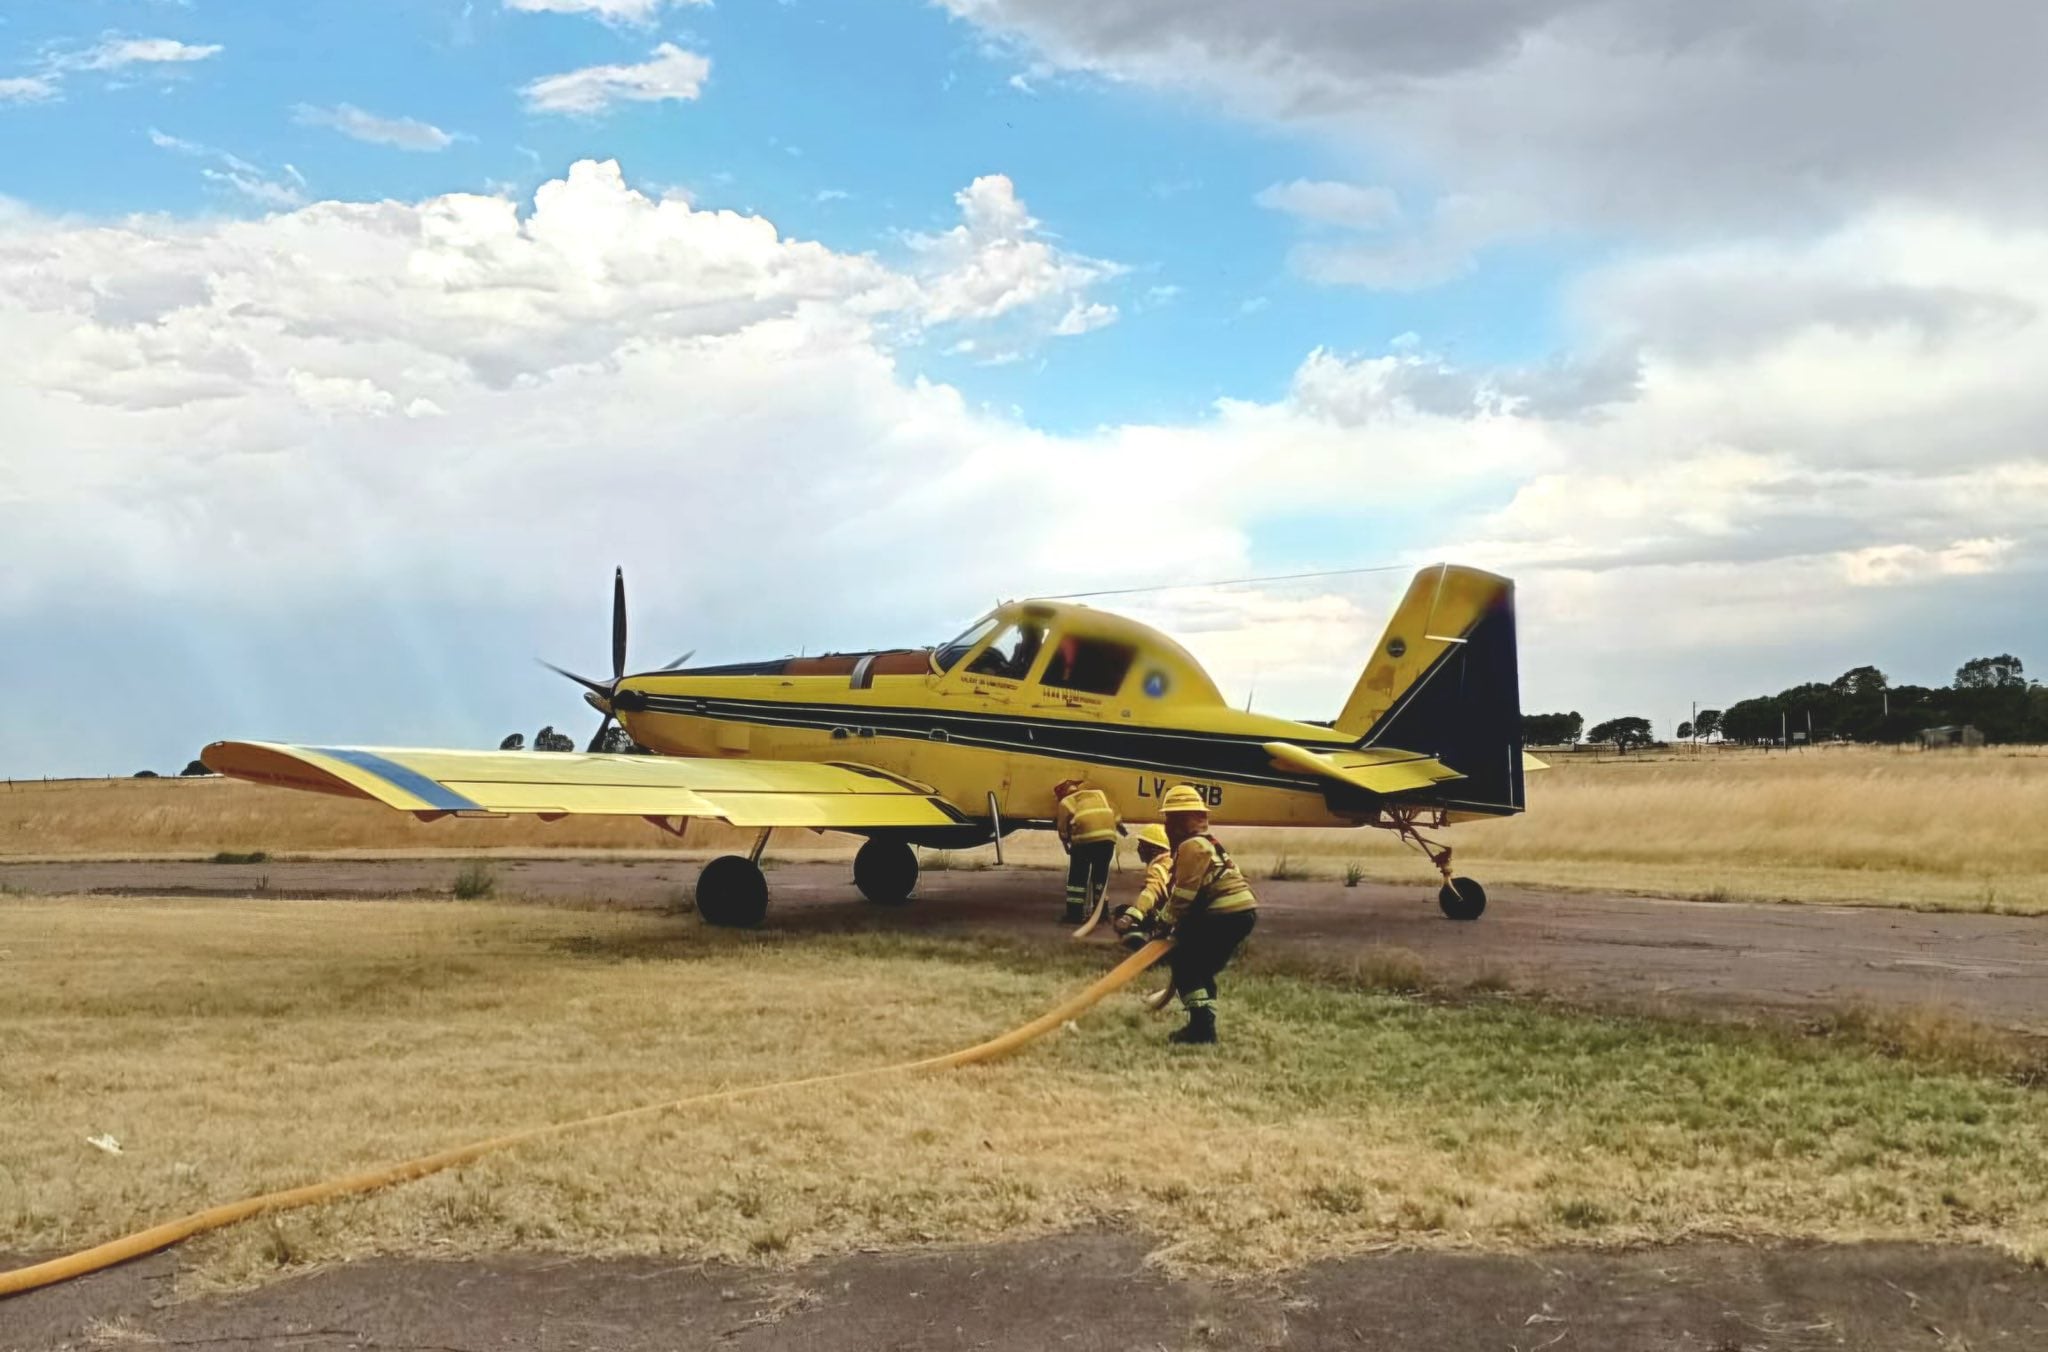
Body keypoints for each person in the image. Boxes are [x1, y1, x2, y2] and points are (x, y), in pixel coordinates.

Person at [1151, 783, 1257, 1045]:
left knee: (1187, 967)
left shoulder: (1192, 846)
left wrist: (1163, 924)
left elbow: (1184, 896)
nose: (1165, 827)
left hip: (1224, 914)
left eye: (1169, 819)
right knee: (1200, 969)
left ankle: (1202, 1030)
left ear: (1180, 821)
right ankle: (1203, 1023)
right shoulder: (1208, 843)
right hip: (1239, 913)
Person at [1053, 778, 1120, 925]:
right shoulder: (1099, 794)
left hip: (1084, 842)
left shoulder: (1065, 802)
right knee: (1100, 878)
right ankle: (1101, 914)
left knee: (1077, 878)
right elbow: (1116, 815)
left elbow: (1062, 829)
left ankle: (1074, 915)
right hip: (1108, 839)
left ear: (1062, 794)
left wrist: (1066, 844)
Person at [1111, 823, 1174, 951]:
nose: (1138, 849)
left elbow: (1152, 891)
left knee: (1122, 911)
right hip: (1175, 917)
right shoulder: (1169, 862)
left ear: (1154, 849)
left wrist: (1130, 916)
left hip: (1169, 920)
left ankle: (1136, 942)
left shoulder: (1158, 867)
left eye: (1142, 845)